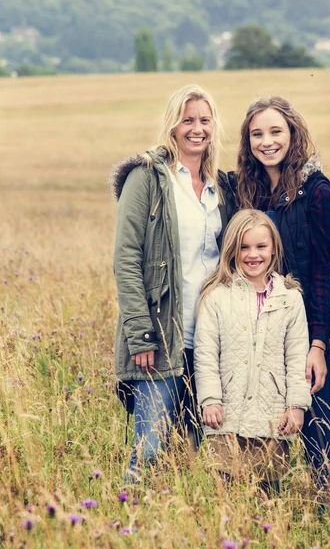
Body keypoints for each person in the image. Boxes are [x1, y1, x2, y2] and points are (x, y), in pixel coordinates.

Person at [112, 84, 234, 484]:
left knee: (199, 449)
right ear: (172, 125)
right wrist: (140, 335)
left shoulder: (221, 187)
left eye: (204, 120)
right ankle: (131, 526)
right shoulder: (147, 178)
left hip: (210, 339)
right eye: (187, 119)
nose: (196, 128)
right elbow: (126, 260)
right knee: (150, 449)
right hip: (162, 335)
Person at [231, 96, 330, 489]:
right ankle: (267, 512)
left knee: (315, 429)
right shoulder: (247, 190)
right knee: (261, 428)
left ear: (293, 133)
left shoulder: (318, 192)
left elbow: (324, 274)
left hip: (303, 330)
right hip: (255, 327)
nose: (267, 141)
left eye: (276, 131)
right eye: (257, 134)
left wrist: (318, 344)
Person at [194, 209, 311, 494]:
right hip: (226, 416)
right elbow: (205, 354)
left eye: (261, 246)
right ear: (233, 249)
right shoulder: (217, 297)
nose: (252, 255)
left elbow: (297, 357)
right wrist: (210, 400)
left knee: (267, 498)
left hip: (272, 418)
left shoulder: (290, 298)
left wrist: (296, 405)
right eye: (244, 247)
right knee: (227, 498)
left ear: (273, 249)